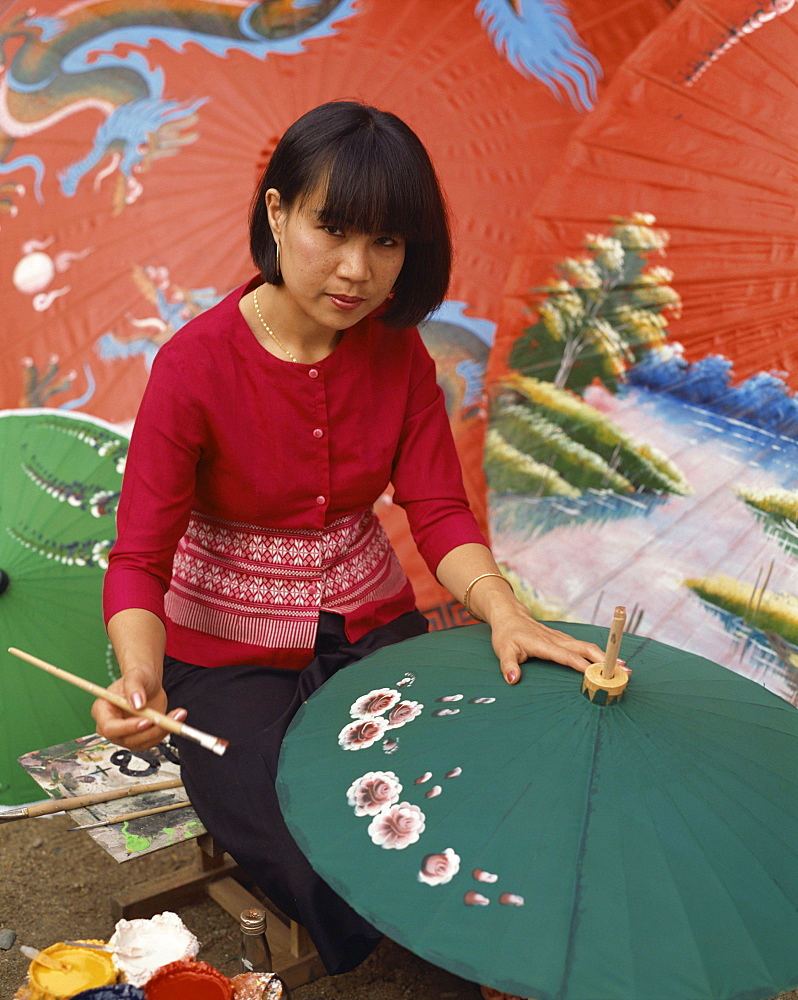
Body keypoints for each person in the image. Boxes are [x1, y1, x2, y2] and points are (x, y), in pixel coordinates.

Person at [92, 100, 607, 989]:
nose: (356, 269)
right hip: (226, 657)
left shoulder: (401, 356)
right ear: (277, 211)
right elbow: (139, 557)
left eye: (387, 242)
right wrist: (139, 678)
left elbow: (440, 510)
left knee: (469, 773)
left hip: (372, 624)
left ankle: (482, 927)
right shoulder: (193, 366)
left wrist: (506, 614)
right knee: (295, 830)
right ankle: (427, 943)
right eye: (331, 228)